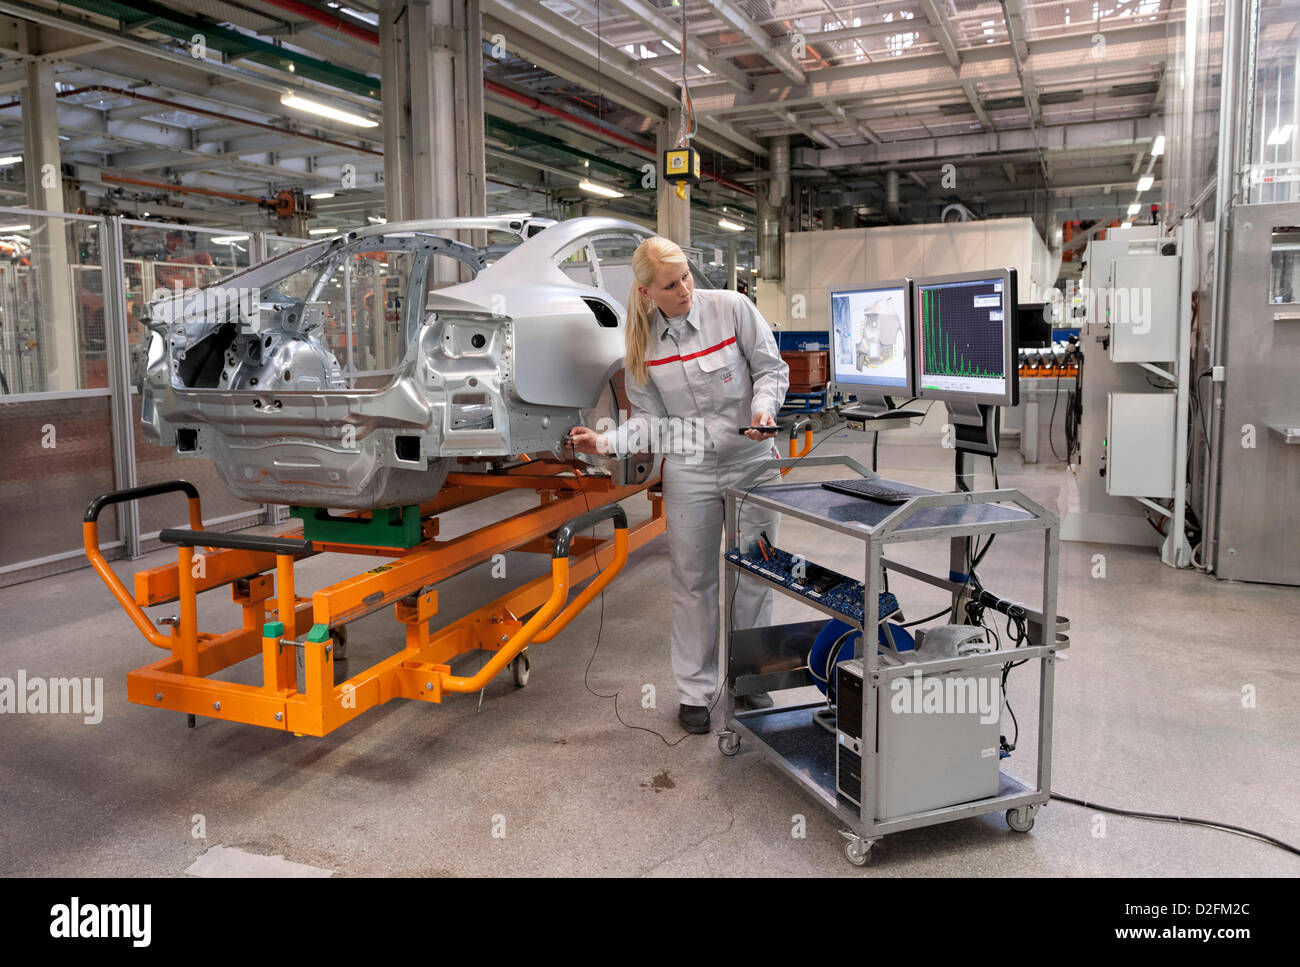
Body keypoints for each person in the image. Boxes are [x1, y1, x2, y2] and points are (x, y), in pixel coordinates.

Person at [567, 236, 789, 734]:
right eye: (671, 285)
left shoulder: (732, 309)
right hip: (690, 468)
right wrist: (606, 442)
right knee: (693, 582)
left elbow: (771, 371)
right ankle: (695, 692)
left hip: (752, 460)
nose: (685, 288)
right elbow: (648, 419)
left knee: (755, 572)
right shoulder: (641, 345)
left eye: (686, 276)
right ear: (647, 294)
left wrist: (763, 409)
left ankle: (750, 681)